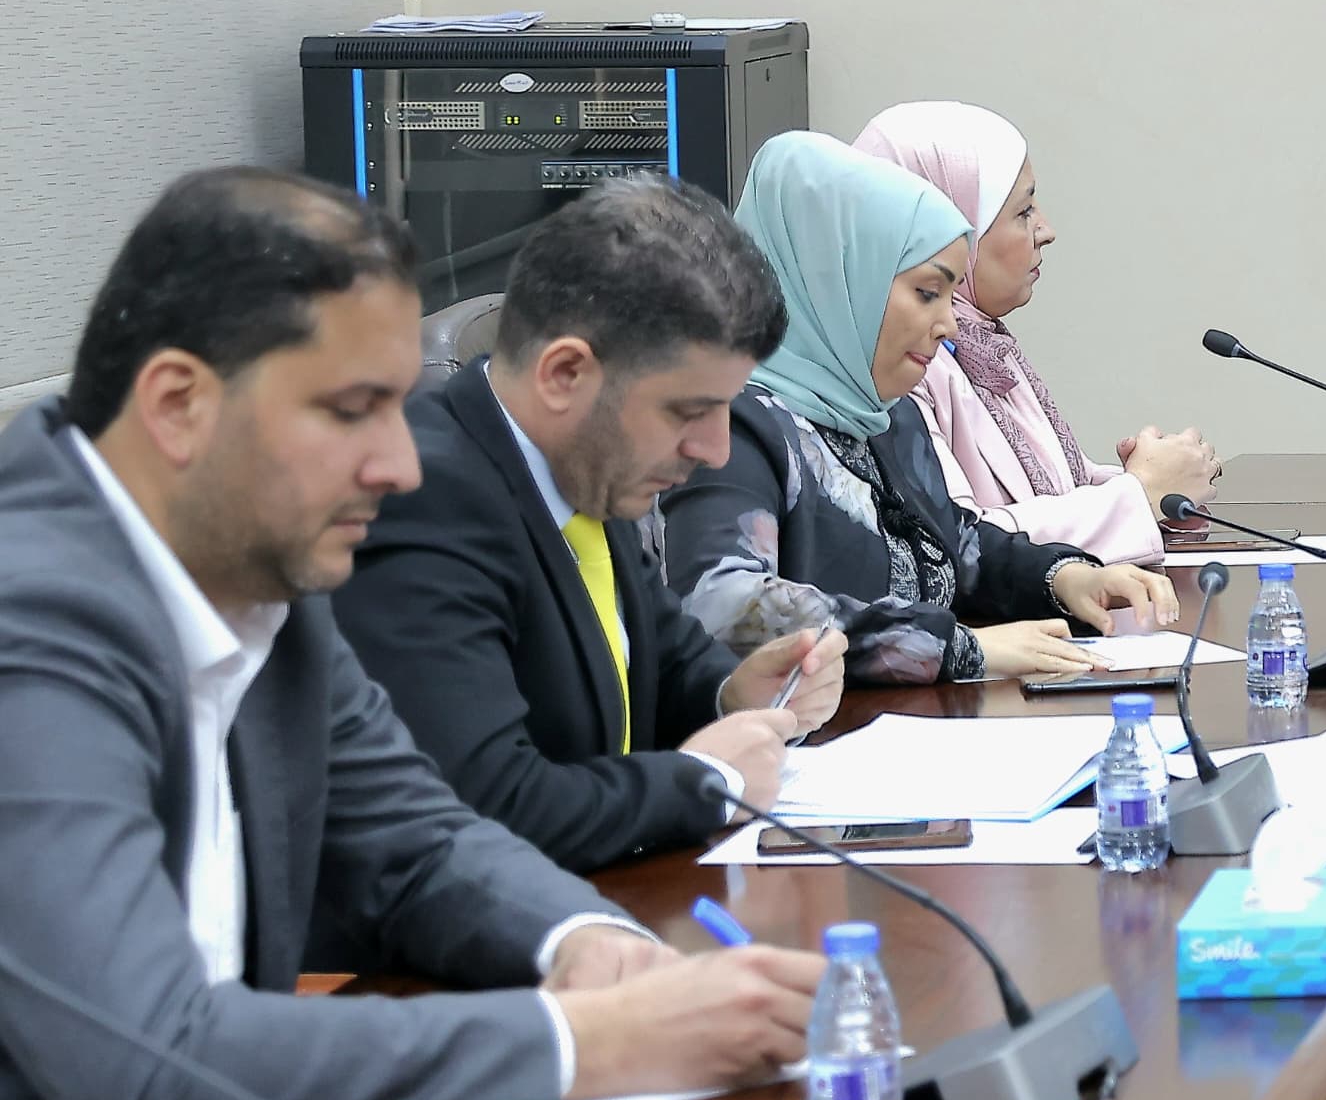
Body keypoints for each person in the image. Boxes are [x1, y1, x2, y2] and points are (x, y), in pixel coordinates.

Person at [0, 170, 820, 1100]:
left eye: (399, 408)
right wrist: (592, 1041)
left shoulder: (257, 572)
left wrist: (581, 940)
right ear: (179, 405)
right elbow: (147, 1066)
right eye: (355, 410)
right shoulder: (30, 615)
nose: (398, 464)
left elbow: (420, 841)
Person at [336, 180, 852, 873]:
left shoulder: (583, 462)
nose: (715, 450)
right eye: (688, 411)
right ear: (565, 374)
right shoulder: (421, 499)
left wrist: (732, 693)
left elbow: (660, 659)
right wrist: (708, 783)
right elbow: (484, 805)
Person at [662, 135, 1170, 685]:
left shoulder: (885, 414)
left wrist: (1064, 578)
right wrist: (953, 647)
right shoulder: (734, 427)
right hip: (805, 733)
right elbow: (724, 603)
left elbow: (954, 543)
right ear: (840, 282)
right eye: (928, 293)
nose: (948, 324)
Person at [849, 99, 1215, 565]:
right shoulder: (901, 361)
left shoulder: (981, 341)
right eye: (1023, 212)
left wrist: (1162, 489)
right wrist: (1138, 496)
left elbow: (1056, 490)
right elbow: (957, 545)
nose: (1047, 230)